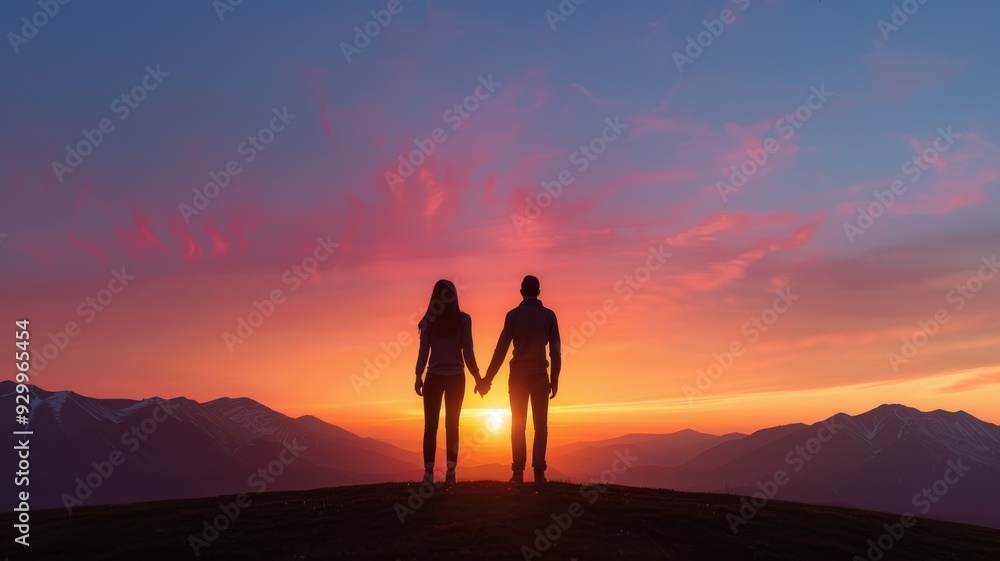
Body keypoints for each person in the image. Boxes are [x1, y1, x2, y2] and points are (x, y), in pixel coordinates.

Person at [479, 275, 561, 484]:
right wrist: (555, 379)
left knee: (518, 425)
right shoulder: (549, 316)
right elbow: (555, 351)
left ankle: (517, 473)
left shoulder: (512, 316)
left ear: (521, 291)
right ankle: (539, 472)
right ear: (539, 292)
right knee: (541, 425)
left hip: (517, 377)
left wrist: (487, 379)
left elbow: (501, 350)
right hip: (540, 375)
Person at [414, 279, 483, 485]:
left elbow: (423, 352)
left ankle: (428, 474)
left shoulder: (428, 322)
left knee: (430, 426)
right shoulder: (464, 320)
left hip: (433, 377)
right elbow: (468, 352)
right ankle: (451, 473)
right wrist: (478, 378)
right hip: (456, 378)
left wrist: (418, 375)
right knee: (452, 426)